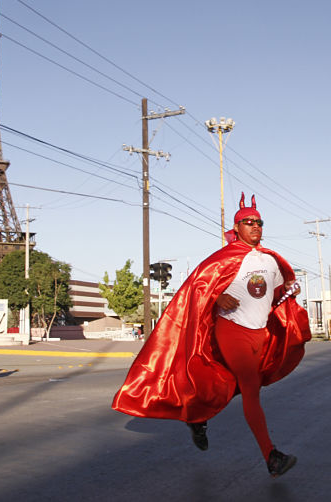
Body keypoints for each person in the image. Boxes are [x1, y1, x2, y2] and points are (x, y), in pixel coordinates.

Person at [113, 193, 311, 477]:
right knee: (250, 387)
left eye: (259, 222)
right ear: (237, 228)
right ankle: (271, 456)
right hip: (232, 331)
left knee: (236, 385)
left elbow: (276, 293)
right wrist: (217, 296)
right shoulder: (223, 259)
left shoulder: (270, 261)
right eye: (248, 222)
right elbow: (197, 288)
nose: (255, 226)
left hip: (259, 333)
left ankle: (197, 416)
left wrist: (290, 291)